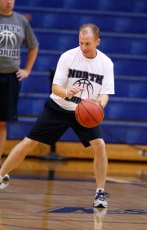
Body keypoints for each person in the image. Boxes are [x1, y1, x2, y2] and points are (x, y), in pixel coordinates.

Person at [0, 23, 115, 208]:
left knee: (100, 145)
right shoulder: (68, 57)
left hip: (84, 112)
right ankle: (1, 174)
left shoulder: (106, 63)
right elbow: (55, 88)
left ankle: (100, 193)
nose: (84, 47)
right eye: (81, 43)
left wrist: (98, 105)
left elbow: (105, 93)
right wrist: (68, 93)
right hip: (59, 107)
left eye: (88, 43)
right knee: (29, 141)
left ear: (97, 42)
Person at [0, 0, 39, 167]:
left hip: (10, 78)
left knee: (2, 123)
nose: (9, 1)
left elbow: (33, 45)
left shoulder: (21, 21)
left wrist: (27, 70)